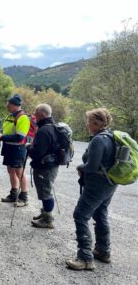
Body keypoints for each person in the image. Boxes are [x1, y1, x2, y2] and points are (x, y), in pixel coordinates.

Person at [66, 108, 117, 271]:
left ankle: (85, 258)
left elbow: (92, 167)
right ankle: (103, 251)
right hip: (110, 183)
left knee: (80, 215)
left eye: (89, 121)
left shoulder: (98, 140)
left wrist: (80, 166)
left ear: (96, 123)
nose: (87, 124)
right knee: (101, 213)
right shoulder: (111, 136)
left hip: (96, 185)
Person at [26, 104, 59, 228]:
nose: (34, 116)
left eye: (36, 113)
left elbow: (37, 153)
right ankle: (45, 212)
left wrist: (29, 147)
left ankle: (48, 219)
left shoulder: (44, 130)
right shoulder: (53, 126)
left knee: (46, 192)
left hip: (45, 166)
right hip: (51, 164)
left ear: (42, 115)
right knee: (46, 190)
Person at [0, 94, 30, 206]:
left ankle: (24, 197)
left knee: (19, 172)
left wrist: (2, 137)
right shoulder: (9, 116)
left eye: (9, 104)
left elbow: (20, 136)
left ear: (15, 105)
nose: (7, 105)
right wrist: (1, 134)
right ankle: (13, 194)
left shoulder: (23, 118)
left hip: (18, 148)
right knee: (10, 170)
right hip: (9, 147)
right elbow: (6, 130)